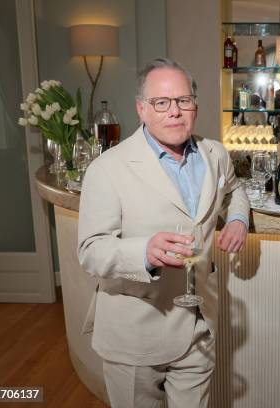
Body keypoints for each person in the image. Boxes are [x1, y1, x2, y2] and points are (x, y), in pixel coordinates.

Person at [77, 58, 249, 408]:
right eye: (161, 102)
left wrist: (237, 220)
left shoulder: (214, 153)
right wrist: (143, 253)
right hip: (136, 335)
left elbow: (234, 191)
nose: (175, 111)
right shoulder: (108, 168)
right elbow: (91, 250)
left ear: (195, 106)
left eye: (183, 101)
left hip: (200, 327)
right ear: (141, 109)